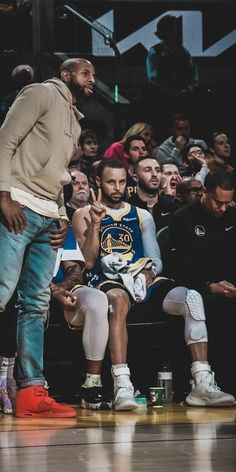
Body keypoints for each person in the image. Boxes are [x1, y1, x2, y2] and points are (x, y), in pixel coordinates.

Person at [72, 159, 234, 410]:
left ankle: (201, 382)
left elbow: (156, 259)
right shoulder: (83, 213)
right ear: (98, 182)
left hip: (142, 277)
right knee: (116, 300)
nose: (117, 187)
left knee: (192, 298)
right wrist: (95, 225)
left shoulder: (141, 215)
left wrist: (147, 272)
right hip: (109, 279)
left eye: (122, 181)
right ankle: (122, 385)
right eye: (111, 182)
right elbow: (89, 263)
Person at [0, 57, 96, 418]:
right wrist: (3, 196)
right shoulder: (39, 93)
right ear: (66, 75)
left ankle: (31, 392)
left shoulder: (73, 116)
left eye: (93, 75)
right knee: (1, 292)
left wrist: (60, 215)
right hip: (18, 205)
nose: (92, 80)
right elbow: (5, 141)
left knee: (37, 307)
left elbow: (58, 176)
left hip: (46, 214)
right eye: (86, 73)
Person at [168, 169, 236, 396]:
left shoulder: (232, 216)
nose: (223, 208)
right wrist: (210, 285)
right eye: (219, 202)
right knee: (217, 306)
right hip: (199, 286)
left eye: (228, 203)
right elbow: (179, 268)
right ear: (205, 193)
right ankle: (215, 383)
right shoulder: (182, 218)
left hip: (231, 287)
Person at [50, 226, 111, 410]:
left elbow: (75, 272)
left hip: (62, 288)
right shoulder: (13, 222)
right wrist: (52, 291)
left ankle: (92, 384)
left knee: (97, 299)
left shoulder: (60, 226)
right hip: (32, 288)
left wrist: (60, 289)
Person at [146, 15, 199, 128]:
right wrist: (171, 92)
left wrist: (188, 89)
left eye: (174, 27)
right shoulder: (154, 51)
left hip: (183, 101)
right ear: (162, 30)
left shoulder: (184, 52)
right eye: (169, 27)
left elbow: (194, 77)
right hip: (162, 101)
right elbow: (153, 78)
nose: (172, 31)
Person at [128, 157, 180, 231]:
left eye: (158, 170)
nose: (154, 174)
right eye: (147, 170)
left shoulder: (173, 209)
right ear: (136, 178)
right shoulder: (126, 210)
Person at [122, 134, 149, 199]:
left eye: (144, 149)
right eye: (135, 149)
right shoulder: (122, 179)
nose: (141, 152)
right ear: (126, 154)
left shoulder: (153, 178)